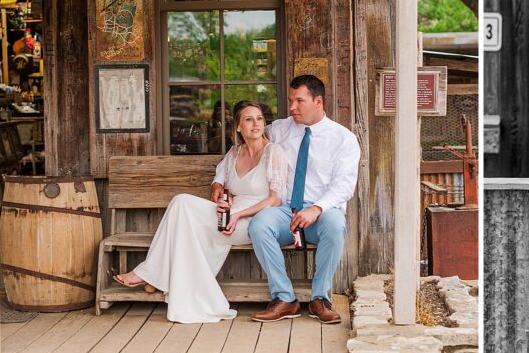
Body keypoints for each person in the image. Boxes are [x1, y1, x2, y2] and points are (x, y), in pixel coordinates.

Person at [113, 100, 286, 323]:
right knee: (180, 203)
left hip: (252, 221)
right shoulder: (234, 153)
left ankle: (152, 274)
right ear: (238, 127)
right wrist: (224, 198)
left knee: (185, 222)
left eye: (260, 119)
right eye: (249, 119)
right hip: (229, 214)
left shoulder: (274, 152)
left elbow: (275, 198)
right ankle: (155, 275)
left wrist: (238, 214)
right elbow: (223, 182)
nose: (256, 124)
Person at [211, 74, 360, 324]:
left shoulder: (343, 139)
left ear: (318, 102)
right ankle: (285, 298)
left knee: (335, 226)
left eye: (299, 101)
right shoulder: (279, 129)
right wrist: (218, 180)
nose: (292, 107)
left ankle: (320, 299)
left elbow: (344, 185)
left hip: (320, 212)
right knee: (260, 225)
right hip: (284, 210)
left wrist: (316, 209)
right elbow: (241, 148)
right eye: (291, 100)